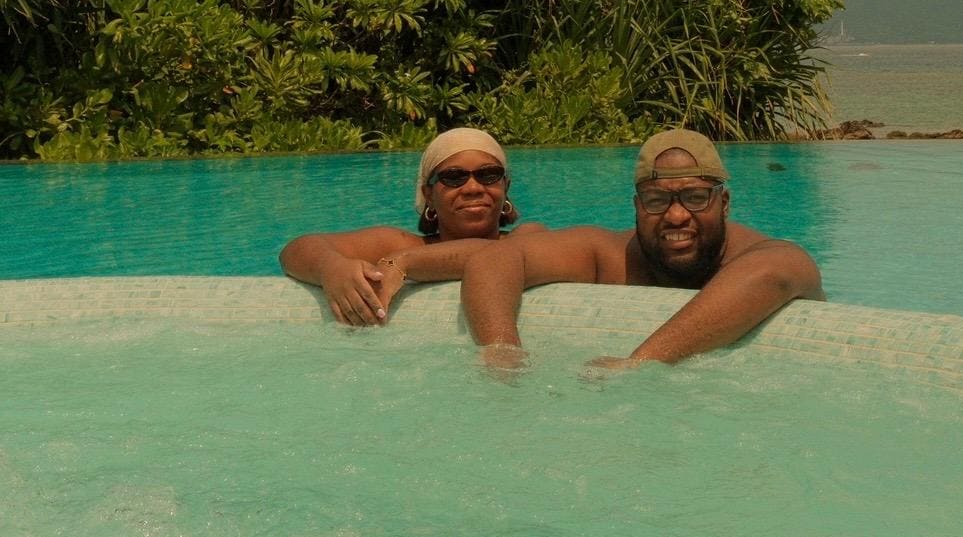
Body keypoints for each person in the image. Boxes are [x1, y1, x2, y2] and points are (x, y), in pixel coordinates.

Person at [371, 128, 824, 368]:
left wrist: (640, 365)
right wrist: (502, 352)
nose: (676, 216)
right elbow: (498, 256)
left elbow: (775, 273)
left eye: (695, 197)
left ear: (723, 203)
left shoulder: (763, 254)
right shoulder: (609, 253)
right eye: (657, 200)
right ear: (636, 206)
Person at [279, 128, 531, 326]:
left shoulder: (527, 238)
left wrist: (405, 262)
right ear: (428, 194)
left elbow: (498, 254)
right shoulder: (399, 243)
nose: (473, 188)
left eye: (488, 175)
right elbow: (295, 250)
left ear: (505, 187)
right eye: (454, 177)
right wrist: (331, 268)